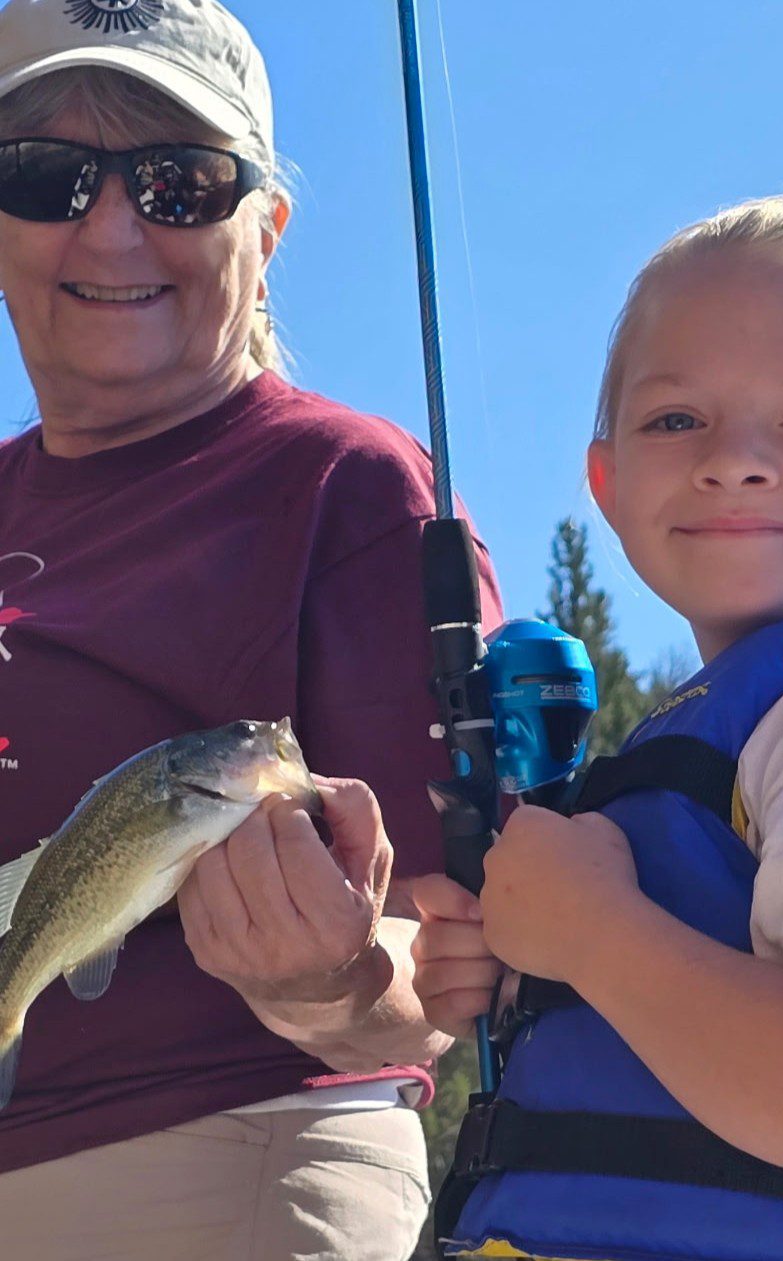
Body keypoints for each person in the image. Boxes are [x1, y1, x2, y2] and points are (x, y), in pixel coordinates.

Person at [0, 1, 502, 1258]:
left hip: (214, 1162)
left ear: (265, 230)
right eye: (48, 176)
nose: (110, 226)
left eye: (181, 183)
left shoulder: (353, 486)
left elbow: (453, 965)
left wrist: (328, 985)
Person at [412, 196, 783, 1261]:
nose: (735, 459)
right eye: (674, 419)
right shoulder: (742, 742)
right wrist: (529, 966)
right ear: (606, 484)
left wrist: (597, 938)